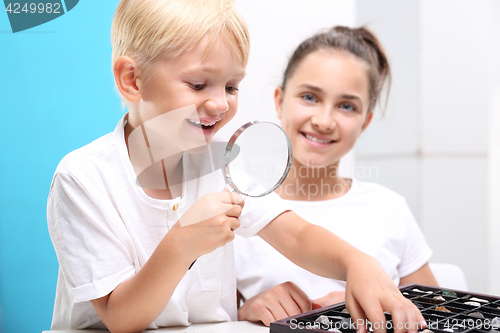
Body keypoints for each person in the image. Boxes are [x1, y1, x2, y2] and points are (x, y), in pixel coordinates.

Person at [47, 2, 426, 332]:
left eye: (231, 87)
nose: (219, 104)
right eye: (198, 85)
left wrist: (356, 262)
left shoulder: (224, 162)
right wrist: (182, 243)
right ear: (132, 80)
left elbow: (295, 235)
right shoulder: (83, 178)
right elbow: (120, 318)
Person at [235, 26, 438, 326]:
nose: (323, 121)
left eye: (346, 106)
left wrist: (379, 306)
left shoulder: (388, 209)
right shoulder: (240, 211)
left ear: (365, 121)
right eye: (309, 97)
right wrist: (245, 312)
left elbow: (441, 315)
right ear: (279, 101)